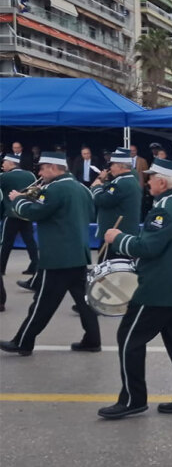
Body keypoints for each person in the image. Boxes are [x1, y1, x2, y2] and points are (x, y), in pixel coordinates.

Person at [97, 158, 172, 419]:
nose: (148, 181)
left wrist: (117, 238)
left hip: (158, 289)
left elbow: (147, 247)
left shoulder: (165, 209)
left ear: (163, 182)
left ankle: (133, 399)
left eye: (152, 177)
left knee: (128, 340)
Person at [0, 152, 100, 357]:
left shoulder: (54, 189)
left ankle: (23, 342)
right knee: (84, 302)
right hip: (77, 254)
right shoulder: (80, 188)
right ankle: (92, 340)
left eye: (43, 168)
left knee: (42, 304)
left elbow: (34, 213)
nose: (40, 172)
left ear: (54, 168)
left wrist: (18, 200)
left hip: (58, 256)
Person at [91, 148, 142, 255]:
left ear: (120, 166)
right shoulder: (130, 180)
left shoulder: (120, 183)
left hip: (115, 235)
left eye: (112, 165)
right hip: (123, 234)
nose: (110, 168)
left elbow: (101, 200)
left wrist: (97, 186)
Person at [0, 154, 39, 276]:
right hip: (26, 213)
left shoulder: (4, 176)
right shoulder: (30, 175)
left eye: (4, 162)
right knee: (30, 242)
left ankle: (1, 268)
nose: (2, 164)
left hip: (11, 214)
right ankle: (35, 266)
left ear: (11, 163)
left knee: (6, 243)